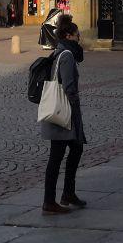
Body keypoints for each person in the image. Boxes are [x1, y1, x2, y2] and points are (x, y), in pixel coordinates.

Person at [41, 18, 87, 215]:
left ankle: (68, 193)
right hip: (62, 113)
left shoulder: (60, 51)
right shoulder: (67, 55)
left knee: (76, 149)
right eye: (77, 34)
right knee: (56, 157)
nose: (79, 38)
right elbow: (68, 86)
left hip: (62, 113)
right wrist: (75, 106)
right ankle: (49, 201)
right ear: (69, 35)